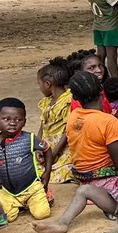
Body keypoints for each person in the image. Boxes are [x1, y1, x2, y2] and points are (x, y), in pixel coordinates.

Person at [64, 71, 118, 196]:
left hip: (83, 178)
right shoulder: (108, 121)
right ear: (102, 90)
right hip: (106, 181)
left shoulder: (73, 116)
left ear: (74, 97)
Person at [0, 98, 52, 223]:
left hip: (31, 186)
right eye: (6, 119)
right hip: (8, 190)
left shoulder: (29, 138)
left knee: (42, 214)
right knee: (8, 218)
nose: (12, 123)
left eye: (18, 120)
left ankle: (43, 195)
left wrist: (47, 172)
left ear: (24, 121)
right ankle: (21, 203)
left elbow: (47, 149)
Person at [37, 58, 75, 187]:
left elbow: (68, 132)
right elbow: (42, 126)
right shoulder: (46, 102)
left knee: (67, 169)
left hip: (62, 148)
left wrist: (53, 154)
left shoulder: (68, 102)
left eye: (39, 84)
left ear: (47, 84)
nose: (40, 88)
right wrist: (38, 147)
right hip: (47, 147)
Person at [67, 50, 112, 114]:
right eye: (91, 68)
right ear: (78, 73)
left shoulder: (99, 88)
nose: (99, 70)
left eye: (100, 65)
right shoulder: (79, 98)